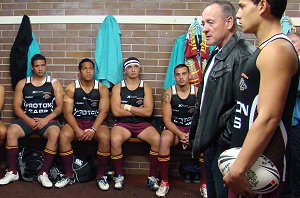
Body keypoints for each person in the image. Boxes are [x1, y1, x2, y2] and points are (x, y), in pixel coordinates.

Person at [224, 0, 299, 197]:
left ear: (262, 5)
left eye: (242, 6)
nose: (238, 14)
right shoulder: (265, 48)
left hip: (260, 168)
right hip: (247, 161)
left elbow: (268, 117)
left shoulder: (277, 50)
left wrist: (238, 169)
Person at [189, 1, 255, 198]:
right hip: (213, 144)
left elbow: (242, 106)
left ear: (229, 22)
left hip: (225, 147)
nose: (205, 29)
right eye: (203, 23)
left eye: (210, 22)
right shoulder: (217, 53)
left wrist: (223, 142)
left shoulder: (242, 54)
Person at [0, 54, 64, 188]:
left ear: (45, 66)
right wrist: (28, 120)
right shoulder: (23, 83)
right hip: (27, 119)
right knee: (11, 131)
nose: (40, 68)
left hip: (47, 121)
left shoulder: (54, 83)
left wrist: (45, 120)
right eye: (37, 66)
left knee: (55, 133)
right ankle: (12, 172)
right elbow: (16, 107)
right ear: (32, 67)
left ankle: (43, 174)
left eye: (42, 65)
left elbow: (60, 108)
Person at [54, 58, 111, 191]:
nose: (88, 71)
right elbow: (67, 113)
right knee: (64, 137)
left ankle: (100, 176)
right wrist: (77, 129)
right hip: (77, 121)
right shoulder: (71, 87)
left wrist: (93, 129)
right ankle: (68, 175)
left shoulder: (101, 88)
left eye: (90, 68)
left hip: (95, 122)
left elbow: (104, 111)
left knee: (105, 138)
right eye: (85, 68)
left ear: (94, 70)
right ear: (80, 71)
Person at [110, 57, 160, 190]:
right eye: (129, 67)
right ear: (125, 70)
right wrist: (139, 110)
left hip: (142, 124)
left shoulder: (146, 87)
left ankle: (152, 177)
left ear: (139, 69)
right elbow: (116, 111)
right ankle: (119, 175)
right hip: (123, 124)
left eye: (135, 67)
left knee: (157, 139)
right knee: (114, 140)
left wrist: (126, 107)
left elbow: (148, 112)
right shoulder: (118, 87)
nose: (133, 70)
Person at [156, 64, 197, 197]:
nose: (181, 77)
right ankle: (164, 182)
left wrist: (190, 134)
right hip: (175, 129)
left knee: (205, 140)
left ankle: (204, 184)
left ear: (189, 75)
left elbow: (201, 118)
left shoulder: (197, 92)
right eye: (178, 75)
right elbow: (167, 121)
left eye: (184, 74)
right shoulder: (168, 93)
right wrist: (180, 134)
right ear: (174, 77)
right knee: (164, 139)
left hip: (192, 129)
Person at [283, 32, 300, 197]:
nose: (291, 46)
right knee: (286, 159)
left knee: (296, 161)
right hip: (286, 123)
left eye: (294, 42)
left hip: (296, 123)